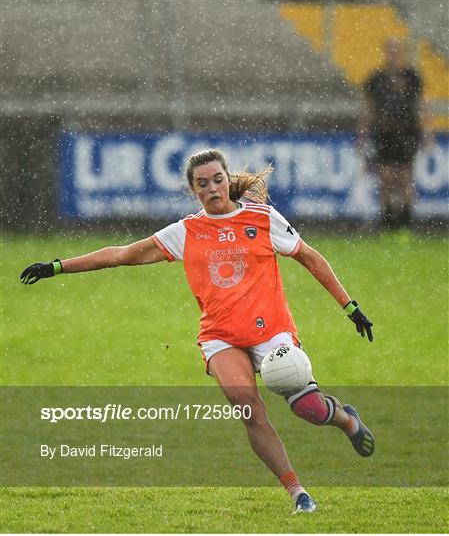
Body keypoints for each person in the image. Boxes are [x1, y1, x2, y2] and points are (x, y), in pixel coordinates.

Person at [20, 149, 374, 514]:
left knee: (309, 409)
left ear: (227, 179)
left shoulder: (263, 219)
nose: (212, 188)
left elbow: (310, 257)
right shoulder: (186, 232)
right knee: (248, 408)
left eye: (218, 180)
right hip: (221, 337)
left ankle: (346, 419)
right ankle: (299, 493)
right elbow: (123, 254)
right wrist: (58, 267)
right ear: (194, 190)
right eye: (202, 184)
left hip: (272, 333)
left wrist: (350, 307)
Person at [359, 38, 432, 229]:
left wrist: (427, 132)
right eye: (389, 51)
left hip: (408, 132)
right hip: (384, 133)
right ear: (385, 53)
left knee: (405, 177)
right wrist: (362, 134)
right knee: (385, 178)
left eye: (396, 51)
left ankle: (406, 222)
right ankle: (388, 221)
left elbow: (423, 106)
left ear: (402, 54)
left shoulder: (412, 77)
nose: (393, 56)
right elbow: (369, 109)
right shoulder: (376, 79)